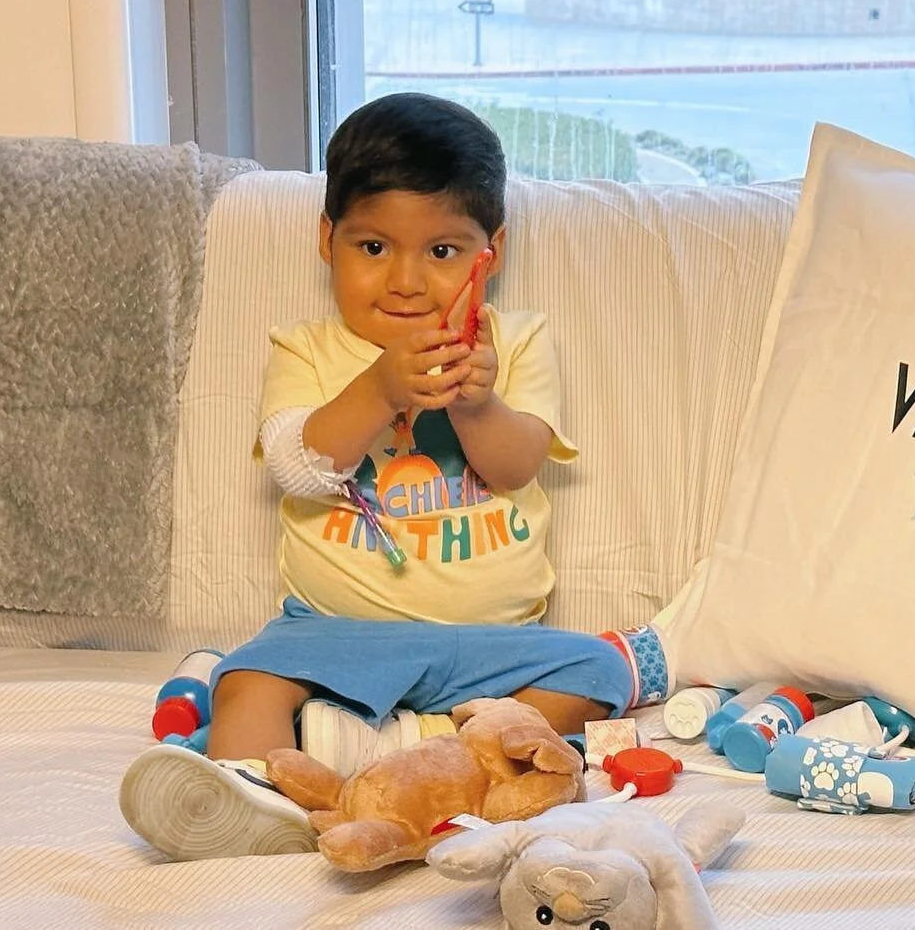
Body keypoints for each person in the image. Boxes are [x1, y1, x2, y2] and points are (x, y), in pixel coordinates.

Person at [119, 93, 661, 861]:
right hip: (337, 633)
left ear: (490, 254)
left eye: (442, 253)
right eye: (374, 248)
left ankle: (421, 747)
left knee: (600, 669)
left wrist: (478, 404)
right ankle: (248, 796)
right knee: (246, 683)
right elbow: (298, 468)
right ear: (326, 240)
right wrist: (379, 389)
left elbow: (516, 465)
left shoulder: (514, 344)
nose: (406, 281)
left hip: (490, 644)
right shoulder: (307, 349)